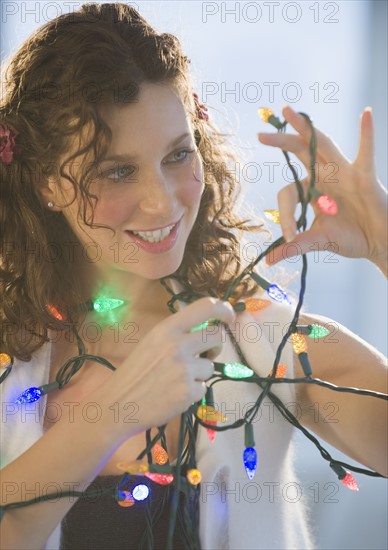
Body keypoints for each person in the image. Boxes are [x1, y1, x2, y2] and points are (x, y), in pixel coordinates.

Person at [0, 3, 386, 549]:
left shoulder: (263, 340)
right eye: (116, 171)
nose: (162, 203)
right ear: (45, 183)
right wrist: (114, 414)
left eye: (178, 155)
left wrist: (385, 242)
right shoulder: (7, 357)